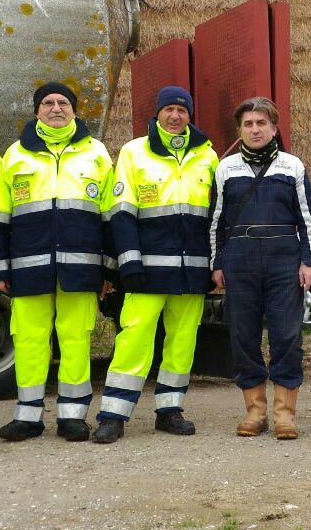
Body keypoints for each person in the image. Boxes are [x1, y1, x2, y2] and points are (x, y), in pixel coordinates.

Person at [0, 82, 113, 443]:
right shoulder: (15, 155)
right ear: (36, 111)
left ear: (74, 110)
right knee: (29, 341)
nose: (56, 108)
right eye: (48, 103)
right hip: (28, 270)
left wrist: (107, 270)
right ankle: (27, 418)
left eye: (63, 103)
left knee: (75, 341)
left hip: (81, 270)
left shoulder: (97, 154)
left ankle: (73, 418)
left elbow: (110, 219)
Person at [92, 86, 218, 444]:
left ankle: (170, 410)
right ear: (157, 113)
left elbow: (215, 218)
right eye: (168, 109)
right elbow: (120, 213)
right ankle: (113, 415)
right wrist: (128, 262)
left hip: (192, 271)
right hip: (145, 270)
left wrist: (212, 267)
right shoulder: (134, 152)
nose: (175, 116)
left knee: (182, 342)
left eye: (181, 110)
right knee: (133, 339)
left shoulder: (208, 158)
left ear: (189, 115)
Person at [210, 97, 311, 440]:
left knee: (287, 336)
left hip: (284, 260)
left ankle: (284, 415)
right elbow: (216, 222)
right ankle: (255, 412)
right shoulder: (225, 169)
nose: (255, 129)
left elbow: (308, 220)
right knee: (243, 336)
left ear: (274, 128)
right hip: (239, 261)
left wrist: (309, 261)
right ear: (240, 130)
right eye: (248, 124)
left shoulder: (292, 166)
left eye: (261, 123)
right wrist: (217, 263)